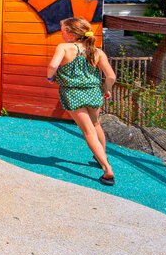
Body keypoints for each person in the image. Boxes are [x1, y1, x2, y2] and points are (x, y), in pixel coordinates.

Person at [48, 16, 118, 186]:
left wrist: (50, 77)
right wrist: (106, 89)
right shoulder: (97, 52)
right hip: (93, 92)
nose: (61, 34)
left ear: (71, 35)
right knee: (95, 125)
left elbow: (52, 66)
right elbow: (111, 76)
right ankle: (102, 156)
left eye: (63, 31)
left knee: (88, 131)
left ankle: (107, 169)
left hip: (73, 93)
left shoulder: (64, 48)